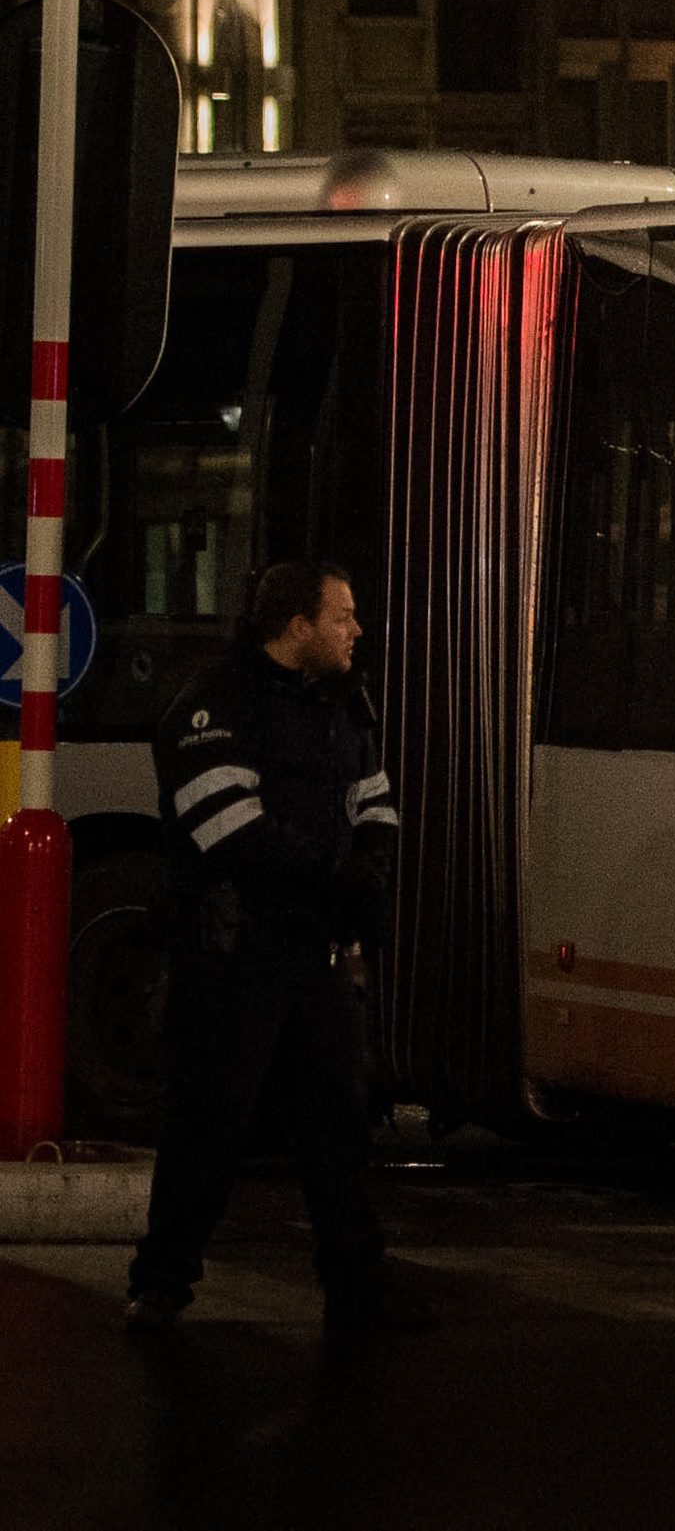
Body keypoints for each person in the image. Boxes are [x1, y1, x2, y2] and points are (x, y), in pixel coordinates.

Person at [123, 561, 423, 1334]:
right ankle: (160, 1285)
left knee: (338, 1123)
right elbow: (230, 831)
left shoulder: (344, 705)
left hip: (312, 955)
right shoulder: (212, 704)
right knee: (211, 1125)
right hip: (234, 958)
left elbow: (376, 800)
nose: (357, 630)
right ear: (296, 626)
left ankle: (356, 1286)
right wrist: (336, 878)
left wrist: (371, 869)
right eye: (343, 616)